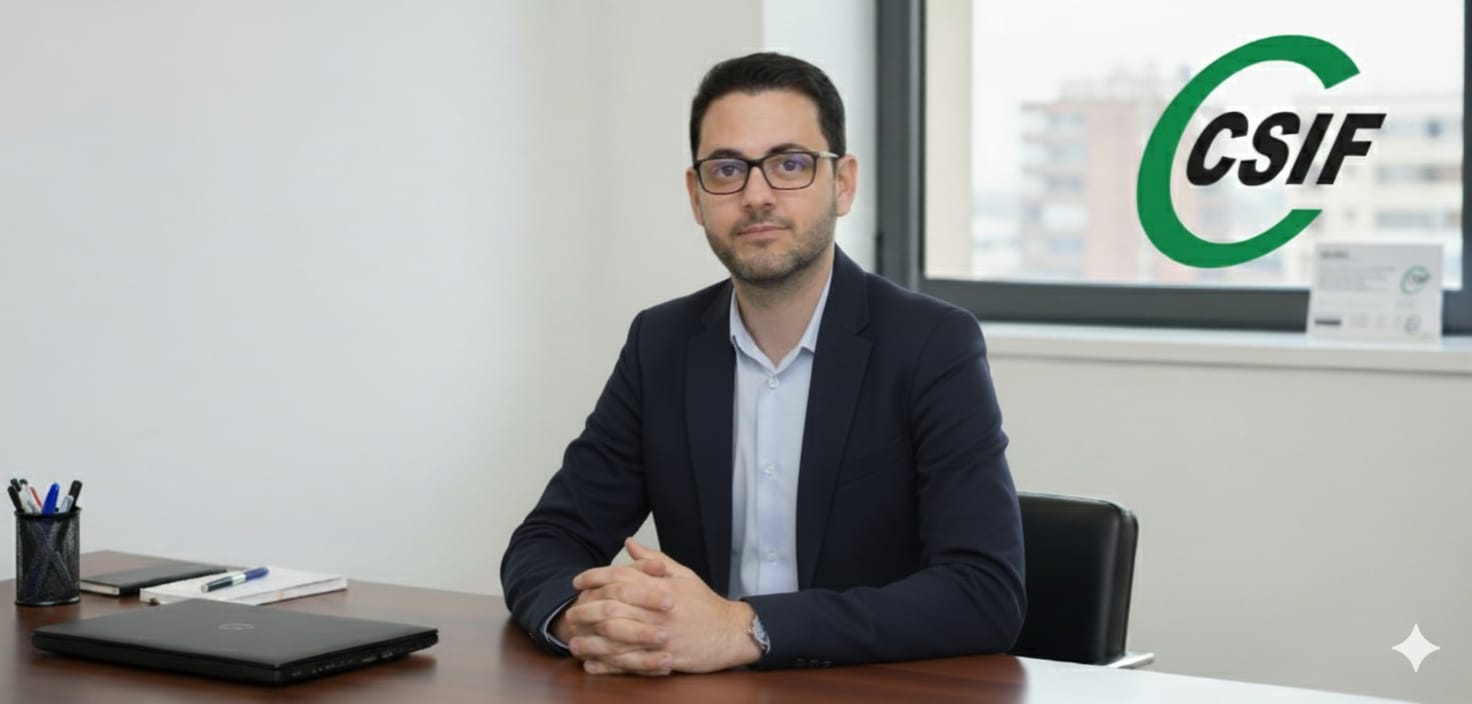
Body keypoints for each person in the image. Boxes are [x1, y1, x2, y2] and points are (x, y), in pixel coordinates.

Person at [501, 51, 1025, 676]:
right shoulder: (661, 344)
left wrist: (744, 628)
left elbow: (984, 592)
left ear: (843, 183)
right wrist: (584, 620)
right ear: (697, 197)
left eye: (790, 164)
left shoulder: (932, 342)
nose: (756, 195)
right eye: (727, 169)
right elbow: (548, 541)